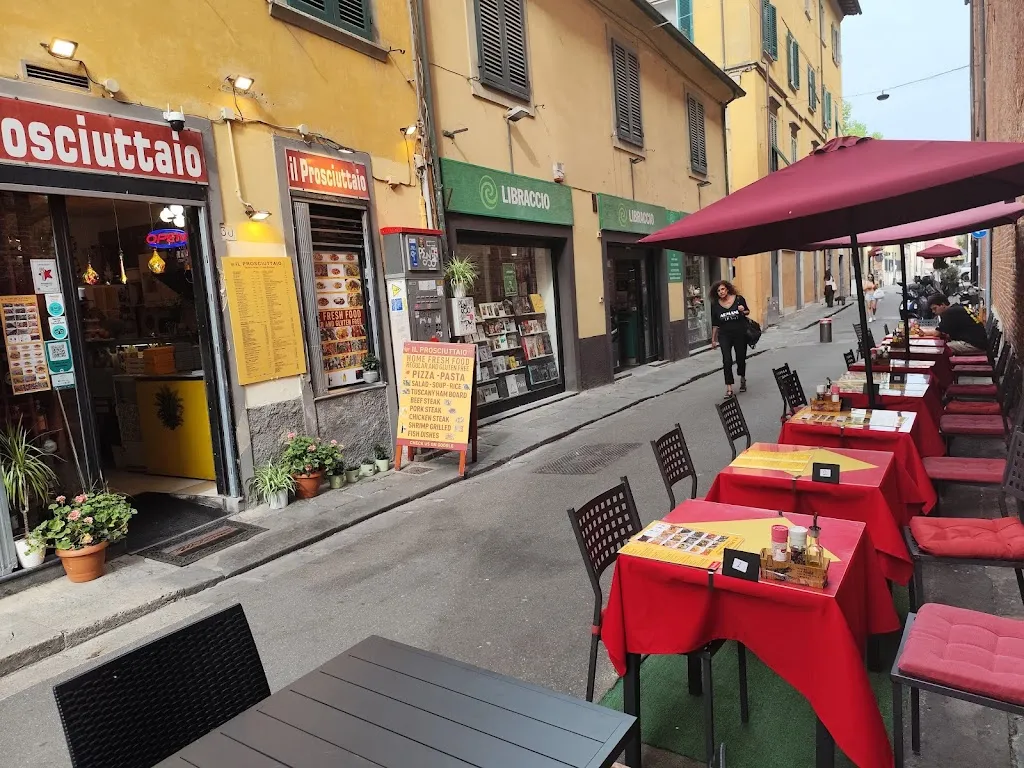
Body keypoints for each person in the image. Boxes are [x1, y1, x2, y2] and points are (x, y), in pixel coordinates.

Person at [710, 280, 751, 398]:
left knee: (740, 358)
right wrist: (713, 339)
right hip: (724, 336)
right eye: (718, 291)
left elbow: (748, 311)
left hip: (739, 334)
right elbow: (715, 324)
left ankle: (742, 377)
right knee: (727, 360)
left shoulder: (738, 299)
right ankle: (729, 388)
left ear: (727, 289)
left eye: (722, 289)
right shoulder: (716, 305)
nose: (721, 292)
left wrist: (743, 310)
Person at [923, 294, 988, 354]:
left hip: (975, 345)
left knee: (941, 348)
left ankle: (944, 366)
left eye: (935, 308)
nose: (933, 311)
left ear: (943, 305)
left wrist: (922, 332)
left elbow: (936, 333)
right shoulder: (956, 308)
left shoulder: (949, 313)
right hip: (980, 342)